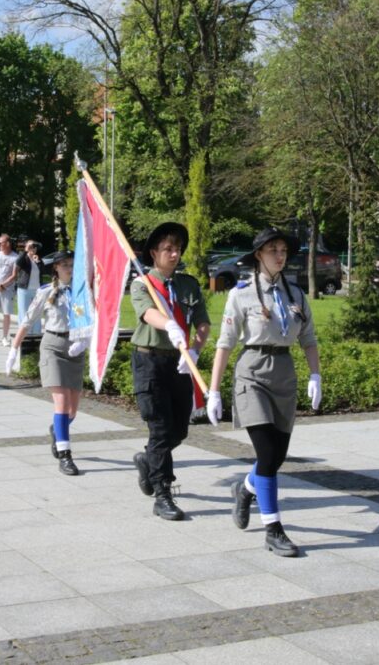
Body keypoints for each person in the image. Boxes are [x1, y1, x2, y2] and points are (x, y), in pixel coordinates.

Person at [206, 228, 320, 557]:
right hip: (252, 372)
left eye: (283, 249)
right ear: (259, 255)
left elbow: (308, 337)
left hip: (284, 373)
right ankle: (273, 529)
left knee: (277, 456)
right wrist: (214, 391)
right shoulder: (241, 294)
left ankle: (244, 489)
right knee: (267, 455)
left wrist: (315, 374)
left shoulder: (296, 294)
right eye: (273, 250)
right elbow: (225, 343)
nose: (280, 255)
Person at [130, 222, 210, 521]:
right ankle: (163, 494)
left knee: (180, 429)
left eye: (177, 249)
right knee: (161, 429)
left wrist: (195, 349)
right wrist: (170, 325)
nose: (174, 254)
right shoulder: (142, 284)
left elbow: (202, 322)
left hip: (179, 362)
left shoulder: (188, 285)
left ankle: (148, 459)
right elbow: (147, 312)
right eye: (168, 249)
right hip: (149, 361)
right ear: (154, 253)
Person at [4, 251, 85, 476]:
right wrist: (13, 350)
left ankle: (57, 431)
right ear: (56, 268)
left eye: (72, 264)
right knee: (61, 403)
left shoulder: (82, 291)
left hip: (76, 349)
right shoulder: (46, 292)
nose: (70, 268)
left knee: (72, 410)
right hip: (53, 347)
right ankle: (65, 455)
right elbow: (27, 321)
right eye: (66, 265)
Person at [16, 239, 44, 335]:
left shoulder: (37, 259)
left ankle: (36, 333)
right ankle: (24, 335)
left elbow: (43, 271)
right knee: (24, 313)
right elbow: (18, 263)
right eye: (31, 246)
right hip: (24, 290)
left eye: (34, 247)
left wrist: (38, 262)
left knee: (36, 313)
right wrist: (26, 251)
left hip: (37, 290)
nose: (33, 248)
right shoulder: (23, 258)